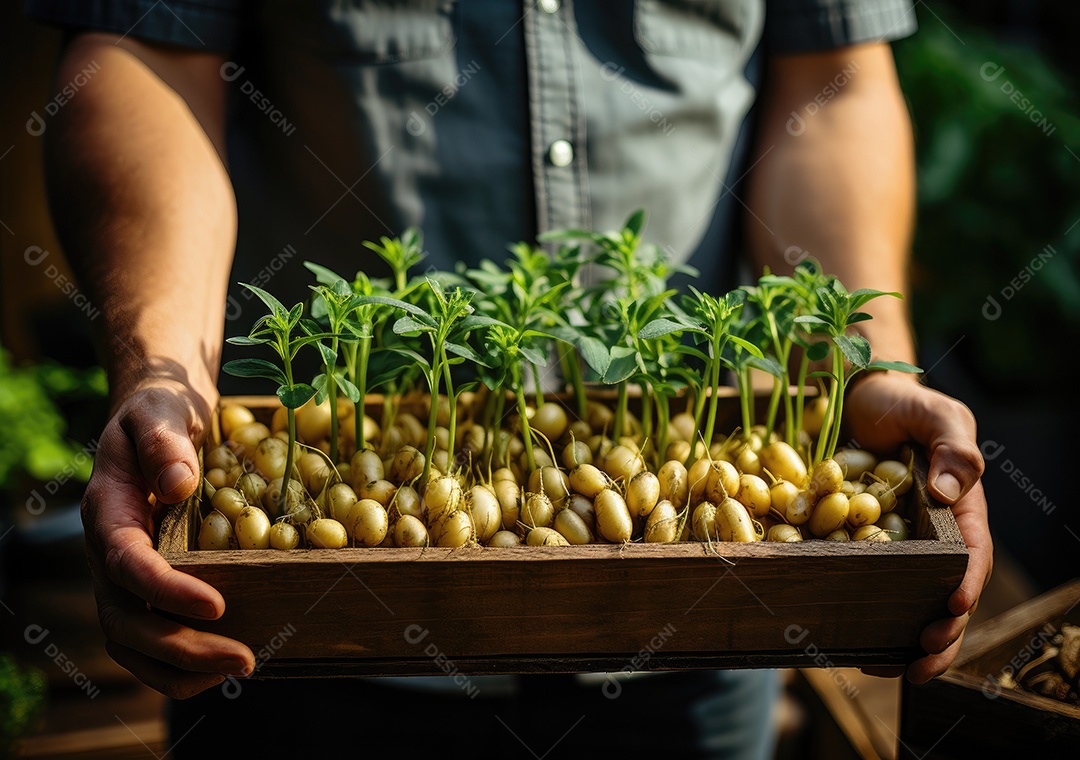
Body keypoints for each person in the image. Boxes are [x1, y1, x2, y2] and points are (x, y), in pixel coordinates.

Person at [27, 0, 991, 756]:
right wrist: (162, 369)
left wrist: (855, 362)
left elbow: (834, 79)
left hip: (704, 624)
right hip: (297, 642)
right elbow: (145, 51)